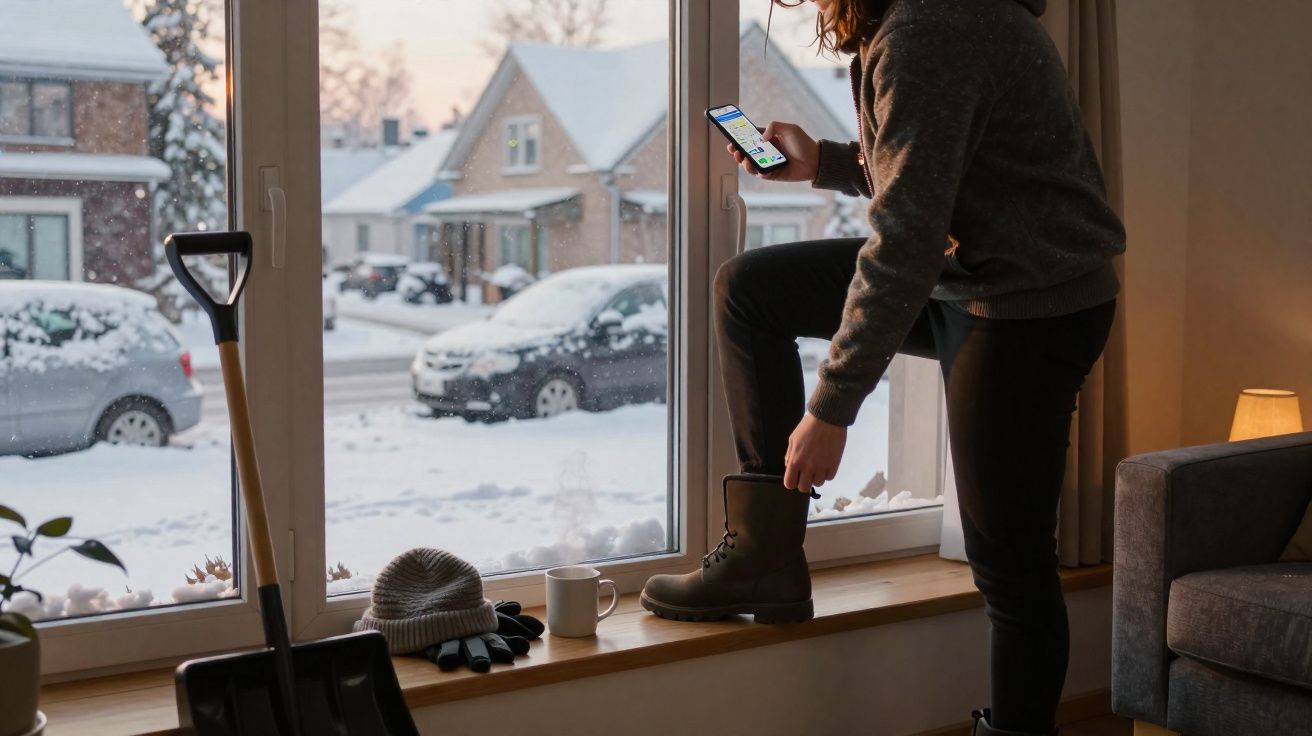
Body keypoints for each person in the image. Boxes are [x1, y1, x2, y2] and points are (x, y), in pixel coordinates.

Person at [640, 0, 1125, 734]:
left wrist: (830, 408)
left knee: (1010, 561)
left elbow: (905, 242)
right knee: (750, 292)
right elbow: (933, 171)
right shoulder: (917, 22)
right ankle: (767, 556)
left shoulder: (928, 29)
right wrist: (826, 163)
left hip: (1032, 304)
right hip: (969, 276)